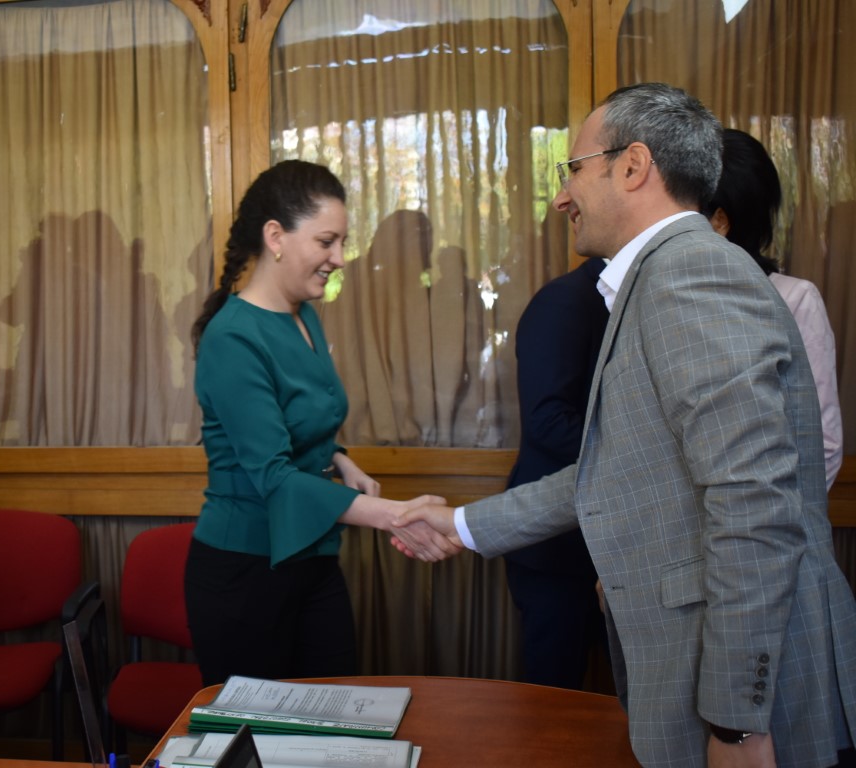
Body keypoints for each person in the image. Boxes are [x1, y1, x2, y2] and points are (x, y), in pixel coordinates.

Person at [393, 84, 856, 768]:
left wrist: (736, 724)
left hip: (754, 701)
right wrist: (461, 525)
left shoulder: (693, 276)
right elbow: (618, 468)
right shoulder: (659, 278)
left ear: (633, 166)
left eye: (572, 170)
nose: (561, 197)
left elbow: (753, 507)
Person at [183, 160, 448, 687]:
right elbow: (274, 476)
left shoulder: (303, 314)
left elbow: (304, 420)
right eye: (327, 242)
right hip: (246, 571)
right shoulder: (233, 337)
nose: (341, 259)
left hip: (313, 554)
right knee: (262, 730)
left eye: (343, 242)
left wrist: (340, 458)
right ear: (275, 237)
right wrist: (395, 515)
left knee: (332, 711)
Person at [706, 128, 843, 488]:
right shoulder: (661, 297)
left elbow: (822, 445)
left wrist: (769, 516)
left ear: (720, 220)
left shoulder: (795, 300)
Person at [502, 256, 609, 690]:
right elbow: (547, 421)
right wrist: (639, 460)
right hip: (558, 547)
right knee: (553, 698)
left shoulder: (641, 298)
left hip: (617, 541)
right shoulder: (565, 300)